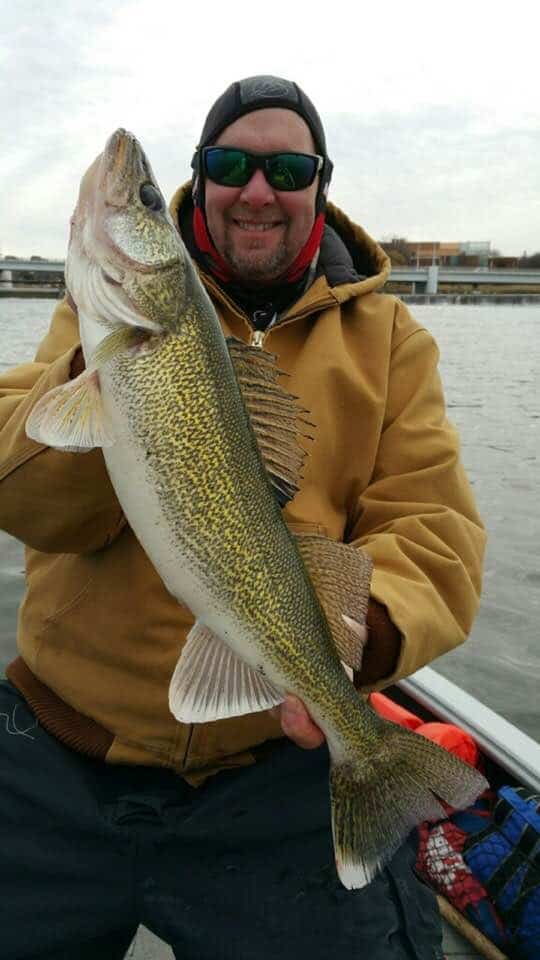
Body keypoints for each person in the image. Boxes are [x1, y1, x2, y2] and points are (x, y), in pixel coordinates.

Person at [0, 75, 485, 959]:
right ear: (203, 181)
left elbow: (434, 528)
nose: (258, 190)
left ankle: (373, 768)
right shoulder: (102, 318)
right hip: (58, 749)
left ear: (319, 187)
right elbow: (20, 492)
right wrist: (93, 374)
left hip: (268, 769)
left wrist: (358, 639)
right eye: (231, 164)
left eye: (288, 168)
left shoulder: (391, 338)